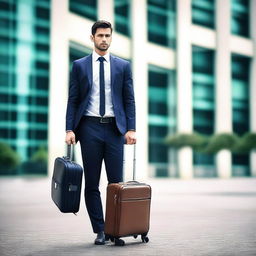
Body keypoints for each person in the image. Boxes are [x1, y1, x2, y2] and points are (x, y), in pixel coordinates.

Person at [65, 20, 136, 245]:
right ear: (92, 38)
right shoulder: (79, 65)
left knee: (116, 183)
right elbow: (73, 99)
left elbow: (129, 99)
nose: (104, 39)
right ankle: (100, 230)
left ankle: (116, 230)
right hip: (89, 128)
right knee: (92, 182)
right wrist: (69, 128)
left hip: (115, 129)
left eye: (107, 35)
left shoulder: (123, 66)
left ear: (111, 38)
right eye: (100, 36)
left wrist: (131, 128)